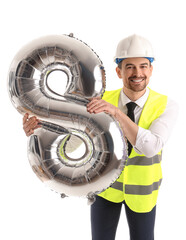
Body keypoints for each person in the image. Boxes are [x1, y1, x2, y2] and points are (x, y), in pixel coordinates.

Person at [23, 34, 178, 240]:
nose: (137, 73)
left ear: (151, 69)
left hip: (143, 193)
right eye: (129, 66)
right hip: (104, 188)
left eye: (143, 66)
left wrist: (117, 114)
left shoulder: (167, 105)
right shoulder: (101, 99)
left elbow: (151, 147)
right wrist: (38, 131)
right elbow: (73, 143)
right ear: (118, 71)